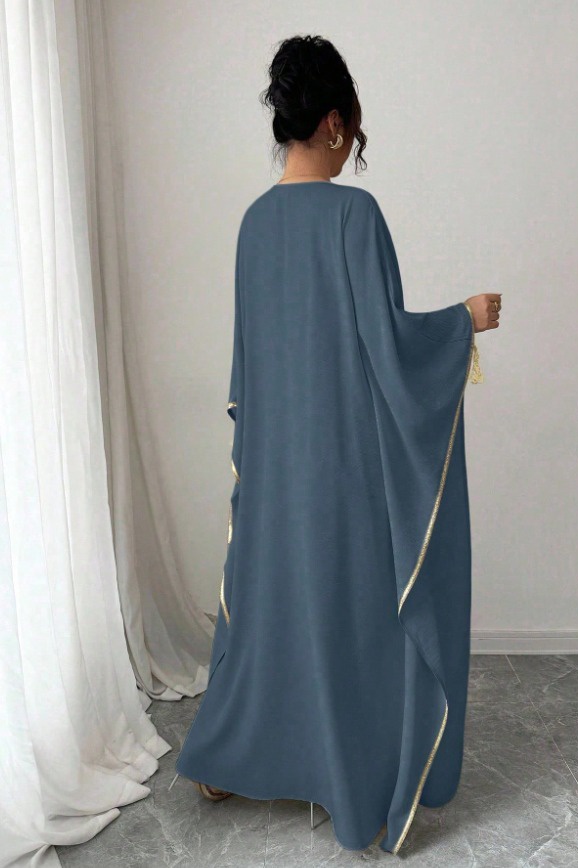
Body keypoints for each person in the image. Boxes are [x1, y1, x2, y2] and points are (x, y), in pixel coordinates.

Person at [175, 33, 502, 855]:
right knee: (362, 620)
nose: (353, 138)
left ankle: (229, 757)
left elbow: (250, 370)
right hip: (344, 471)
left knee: (268, 614)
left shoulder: (254, 226)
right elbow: (388, 349)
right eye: (351, 123)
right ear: (331, 122)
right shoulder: (356, 216)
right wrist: (462, 321)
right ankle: (358, 783)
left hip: (274, 471)